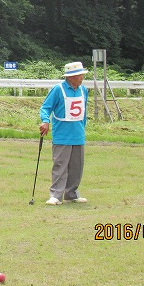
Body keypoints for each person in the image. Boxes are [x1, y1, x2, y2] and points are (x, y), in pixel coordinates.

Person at [39, 61, 89, 206]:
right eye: (79, 75)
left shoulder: (83, 90)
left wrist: (82, 129)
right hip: (62, 136)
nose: (82, 78)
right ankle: (55, 195)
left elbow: (84, 113)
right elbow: (46, 107)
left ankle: (71, 194)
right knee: (60, 166)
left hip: (78, 135)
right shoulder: (58, 89)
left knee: (76, 167)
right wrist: (45, 121)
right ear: (71, 77)